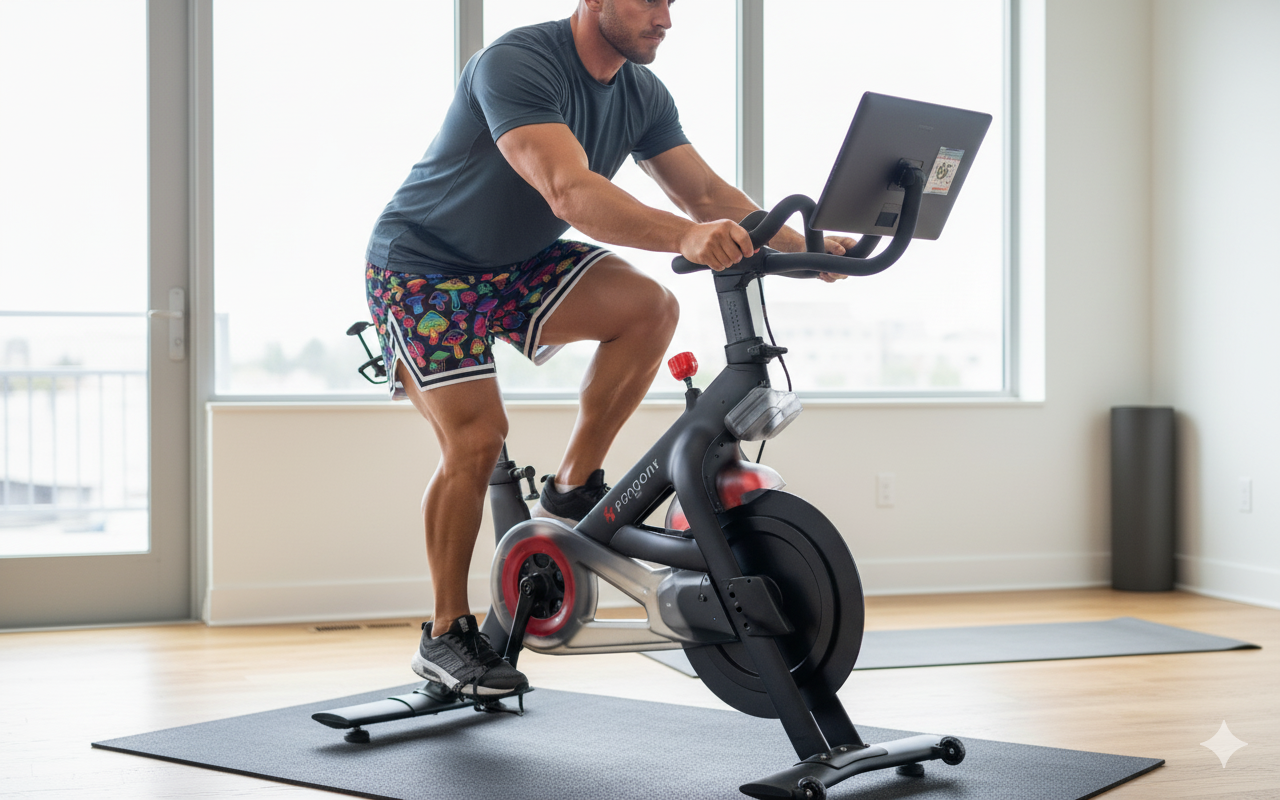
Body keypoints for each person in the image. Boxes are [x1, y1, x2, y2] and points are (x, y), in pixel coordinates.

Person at [363, 0, 853, 698]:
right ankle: (445, 635)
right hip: (422, 268)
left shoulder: (641, 92)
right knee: (475, 441)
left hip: (515, 264)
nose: (666, 19)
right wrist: (685, 236)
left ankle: (569, 493)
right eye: (649, 1)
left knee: (650, 308)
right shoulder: (518, 63)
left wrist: (800, 246)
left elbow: (706, 192)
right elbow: (569, 190)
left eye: (672, 3)